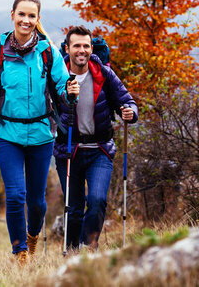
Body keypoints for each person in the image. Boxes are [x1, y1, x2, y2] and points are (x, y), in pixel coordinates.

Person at [0, 0, 78, 263]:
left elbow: (62, 86)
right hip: (7, 134)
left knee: (36, 202)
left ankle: (32, 236)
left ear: (38, 20)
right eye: (22, 14)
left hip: (41, 134)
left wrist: (70, 91)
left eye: (32, 16)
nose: (26, 20)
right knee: (15, 196)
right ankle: (19, 253)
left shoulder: (47, 51)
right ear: (12, 15)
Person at [54, 25, 138, 250]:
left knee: (97, 201)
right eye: (76, 46)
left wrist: (129, 112)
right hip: (68, 150)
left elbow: (126, 100)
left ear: (92, 48)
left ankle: (89, 248)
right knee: (73, 209)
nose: (81, 50)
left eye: (86, 46)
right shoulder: (57, 74)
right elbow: (45, 105)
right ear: (67, 48)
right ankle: (72, 253)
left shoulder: (103, 73)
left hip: (99, 149)